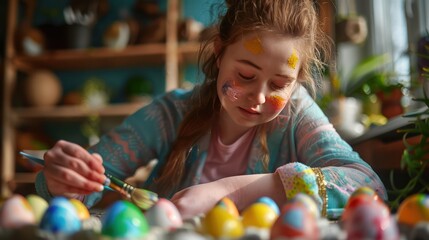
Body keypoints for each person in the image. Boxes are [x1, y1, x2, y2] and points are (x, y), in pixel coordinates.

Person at [36, 0, 387, 220]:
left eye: (280, 84)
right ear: (219, 54)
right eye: (246, 75)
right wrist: (64, 181)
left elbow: (369, 186)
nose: (259, 98)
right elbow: (90, 182)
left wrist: (231, 190)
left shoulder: (296, 115)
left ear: (296, 82)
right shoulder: (172, 113)